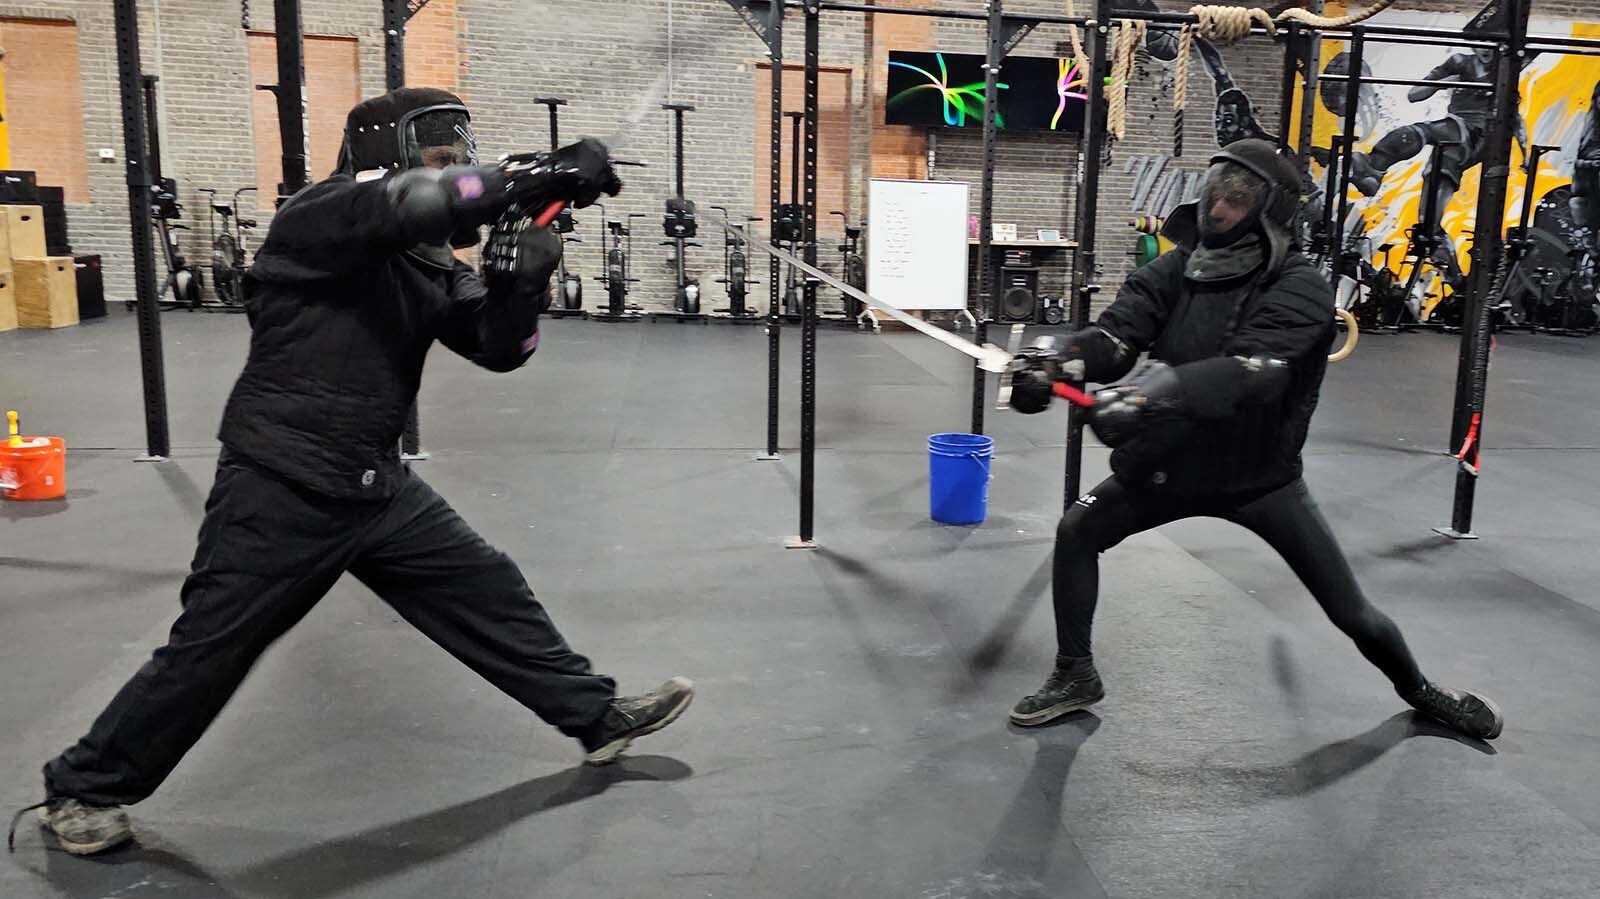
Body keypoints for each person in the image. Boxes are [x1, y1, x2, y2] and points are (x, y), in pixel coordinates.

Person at [10, 88, 694, 858]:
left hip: (373, 482)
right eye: (440, 159)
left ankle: (595, 718)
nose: (452, 173)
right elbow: (409, 202)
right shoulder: (320, 215)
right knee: (211, 649)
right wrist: (531, 171)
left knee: (487, 586)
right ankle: (82, 787)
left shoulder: (428, 262)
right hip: (283, 480)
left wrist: (521, 280)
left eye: (458, 160)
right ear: (386, 157)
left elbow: (500, 349)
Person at [1003, 138, 1504, 743]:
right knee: (1077, 531)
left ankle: (1420, 690)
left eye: (1235, 201)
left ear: (1269, 212)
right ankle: (1075, 673)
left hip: (1259, 476)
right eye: (1216, 193)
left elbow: (1251, 375)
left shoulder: (1300, 288)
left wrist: (1142, 399)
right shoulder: (1172, 270)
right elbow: (1113, 340)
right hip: (1172, 463)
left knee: (1351, 611)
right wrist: (1054, 359)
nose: (1216, 210)